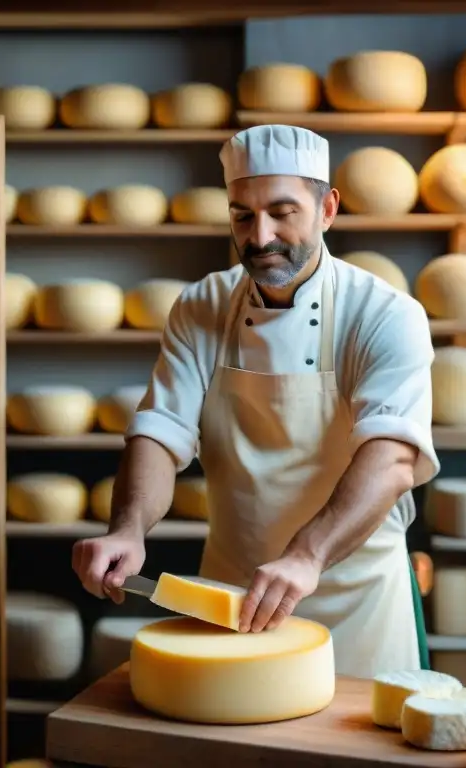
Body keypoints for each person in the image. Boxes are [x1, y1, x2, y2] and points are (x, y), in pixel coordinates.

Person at [72, 124, 440, 678]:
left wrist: (307, 556)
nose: (260, 235)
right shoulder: (202, 307)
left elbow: (391, 459)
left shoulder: (385, 315)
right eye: (242, 215)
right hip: (235, 593)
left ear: (327, 209)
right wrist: (129, 528)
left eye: (282, 212)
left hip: (355, 592)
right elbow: (161, 429)